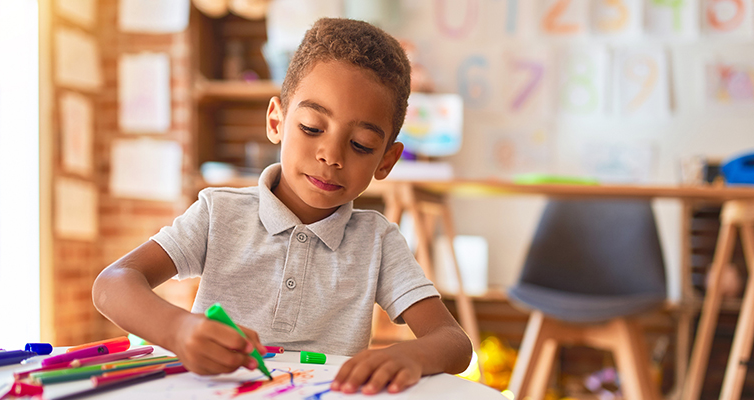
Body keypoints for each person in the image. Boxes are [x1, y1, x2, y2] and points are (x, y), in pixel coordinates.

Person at [92, 18, 472, 395]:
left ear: (386, 161)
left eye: (360, 145)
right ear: (277, 121)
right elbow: (112, 284)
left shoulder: (378, 241)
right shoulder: (218, 213)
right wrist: (178, 330)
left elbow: (454, 342)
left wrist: (412, 356)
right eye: (311, 127)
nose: (331, 155)